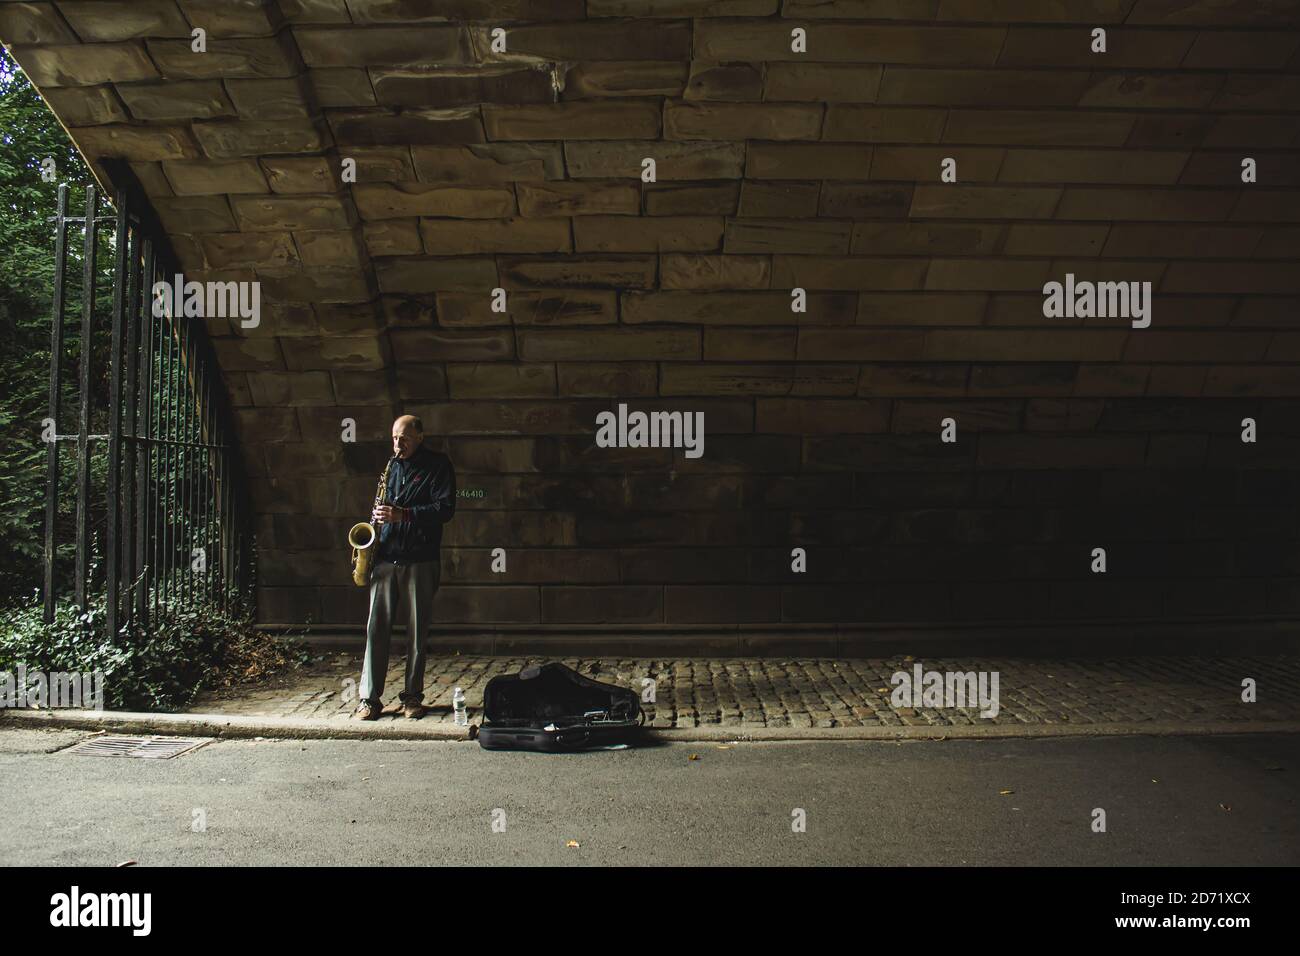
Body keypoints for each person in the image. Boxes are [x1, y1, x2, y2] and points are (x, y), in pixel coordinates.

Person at [355, 415, 456, 720]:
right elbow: (384, 506)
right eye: (395, 438)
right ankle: (369, 700)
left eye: (405, 438)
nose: (398, 444)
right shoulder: (391, 467)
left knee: (416, 634)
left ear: (420, 437)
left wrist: (404, 515)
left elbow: (445, 509)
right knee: (376, 630)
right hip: (385, 557)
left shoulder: (439, 465)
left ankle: (412, 697)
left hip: (421, 559)